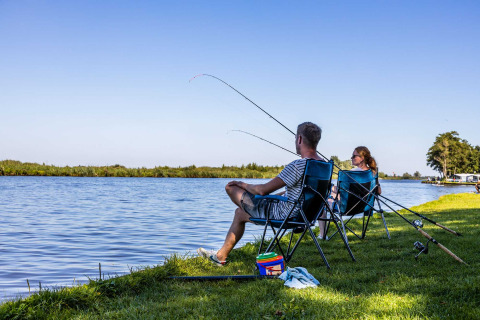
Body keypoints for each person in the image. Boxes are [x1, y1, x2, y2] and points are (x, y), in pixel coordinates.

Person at [198, 122, 323, 266]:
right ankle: (220, 256)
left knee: (231, 188)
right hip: (306, 216)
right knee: (240, 213)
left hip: (286, 215)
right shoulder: (324, 165)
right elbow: (307, 193)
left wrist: (242, 184)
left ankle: (220, 257)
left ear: (299, 139)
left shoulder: (298, 165)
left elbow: (262, 190)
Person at [318, 146, 381, 239]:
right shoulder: (372, 172)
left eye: (354, 156)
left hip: (346, 208)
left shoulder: (351, 173)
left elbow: (339, 190)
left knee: (321, 202)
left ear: (362, 158)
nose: (351, 158)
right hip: (365, 206)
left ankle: (322, 235)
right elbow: (379, 192)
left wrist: (331, 188)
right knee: (331, 193)